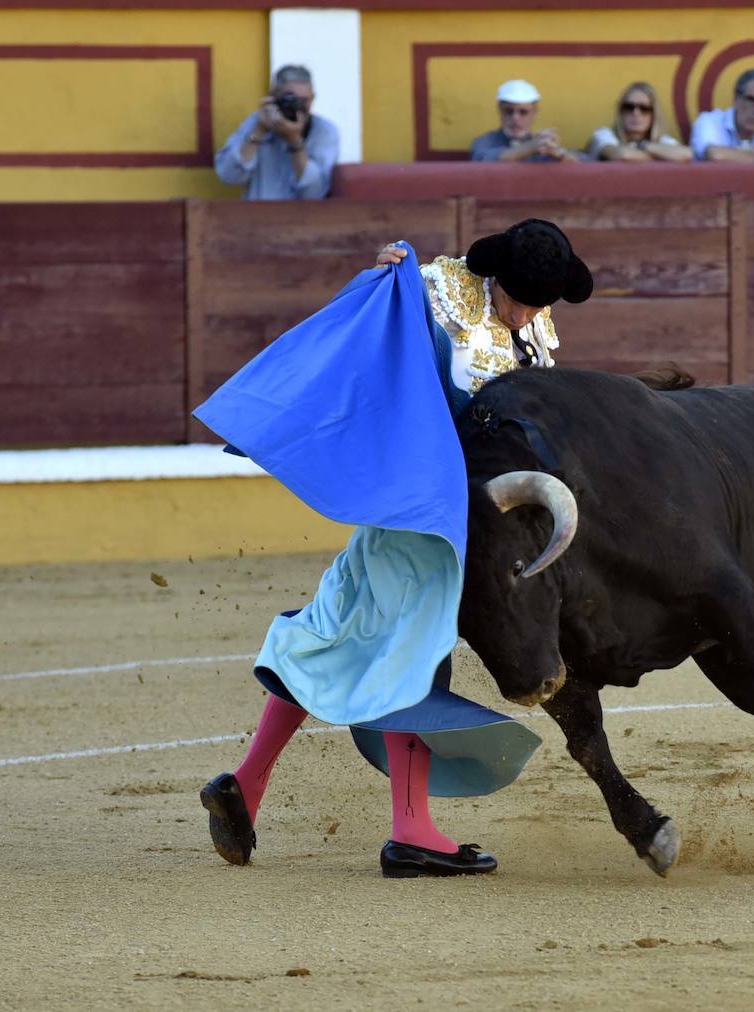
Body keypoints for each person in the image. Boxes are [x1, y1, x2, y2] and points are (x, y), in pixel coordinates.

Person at [195, 219, 593, 878]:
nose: (524, 313)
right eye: (516, 299)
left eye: (536, 303)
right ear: (493, 277)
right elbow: (378, 313)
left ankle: (246, 784)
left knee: (338, 635)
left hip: (449, 514)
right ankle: (411, 831)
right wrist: (391, 266)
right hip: (422, 513)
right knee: (415, 659)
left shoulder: (537, 324)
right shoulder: (439, 293)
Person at [214, 64, 340, 199]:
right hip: (259, 216)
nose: (297, 106)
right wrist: (259, 131)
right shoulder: (257, 121)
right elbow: (229, 176)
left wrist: (295, 141)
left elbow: (314, 192)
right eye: (290, 99)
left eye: (303, 101)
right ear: (273, 96)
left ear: (313, 98)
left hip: (303, 218)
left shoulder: (324, 131)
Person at [470, 79, 582, 162]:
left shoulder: (542, 144)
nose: (515, 118)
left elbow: (584, 162)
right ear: (500, 111)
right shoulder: (485, 141)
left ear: (534, 113)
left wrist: (558, 153)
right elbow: (486, 159)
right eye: (509, 111)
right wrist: (532, 147)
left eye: (523, 112)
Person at [587, 82, 691, 162]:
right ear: (621, 112)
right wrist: (663, 156)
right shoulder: (603, 134)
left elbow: (686, 154)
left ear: (654, 114)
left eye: (644, 108)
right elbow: (623, 156)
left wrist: (643, 145)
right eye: (629, 107)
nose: (636, 113)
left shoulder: (662, 140)